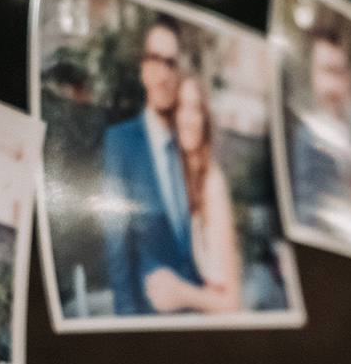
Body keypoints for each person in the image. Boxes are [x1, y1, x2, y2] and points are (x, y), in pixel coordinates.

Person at [99, 19, 204, 315]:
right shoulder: (120, 142)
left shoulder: (191, 144)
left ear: (181, 72)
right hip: (149, 320)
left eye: (171, 63)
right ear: (143, 68)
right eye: (154, 60)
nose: (163, 75)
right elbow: (117, 250)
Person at [142, 74, 244, 313]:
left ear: (205, 119)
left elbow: (232, 302)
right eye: (181, 108)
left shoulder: (212, 184)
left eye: (195, 109)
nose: (187, 119)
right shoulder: (181, 178)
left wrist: (180, 293)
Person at [290, 26, 351, 235]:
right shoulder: (307, 137)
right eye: (327, 71)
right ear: (313, 76)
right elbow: (307, 216)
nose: (333, 85)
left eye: (339, 73)